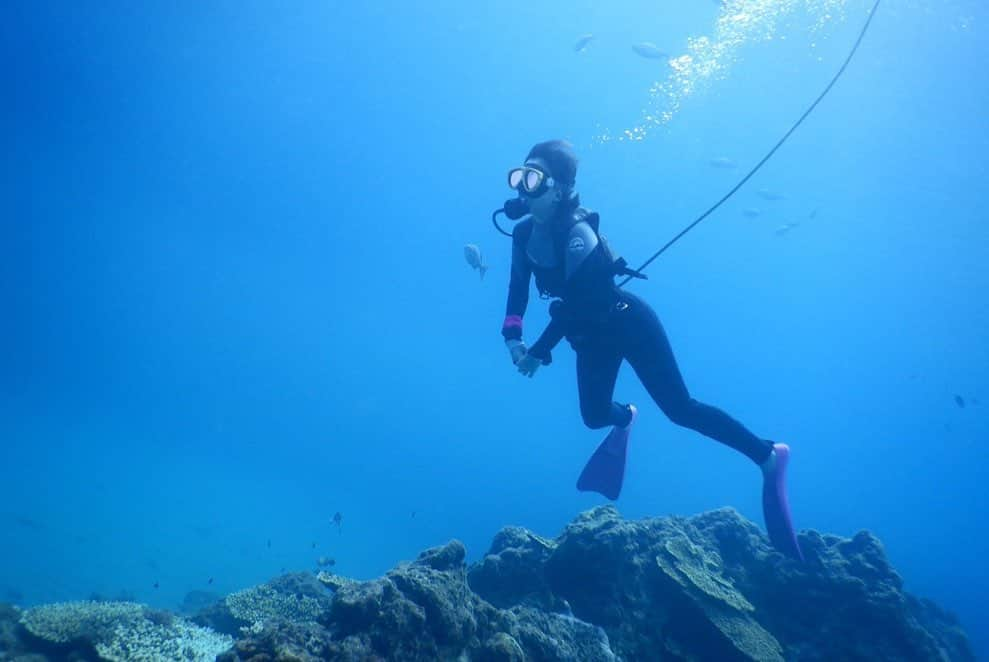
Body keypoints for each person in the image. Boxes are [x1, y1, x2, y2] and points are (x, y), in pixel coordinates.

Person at [499, 139, 803, 561]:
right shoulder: (523, 233)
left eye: (533, 178)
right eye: (520, 176)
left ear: (561, 188)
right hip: (589, 337)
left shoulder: (578, 235)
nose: (522, 188)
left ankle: (768, 456)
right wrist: (513, 339)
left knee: (681, 409)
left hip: (627, 323)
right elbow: (517, 290)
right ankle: (625, 419)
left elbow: (578, 307)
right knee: (592, 417)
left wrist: (538, 351)